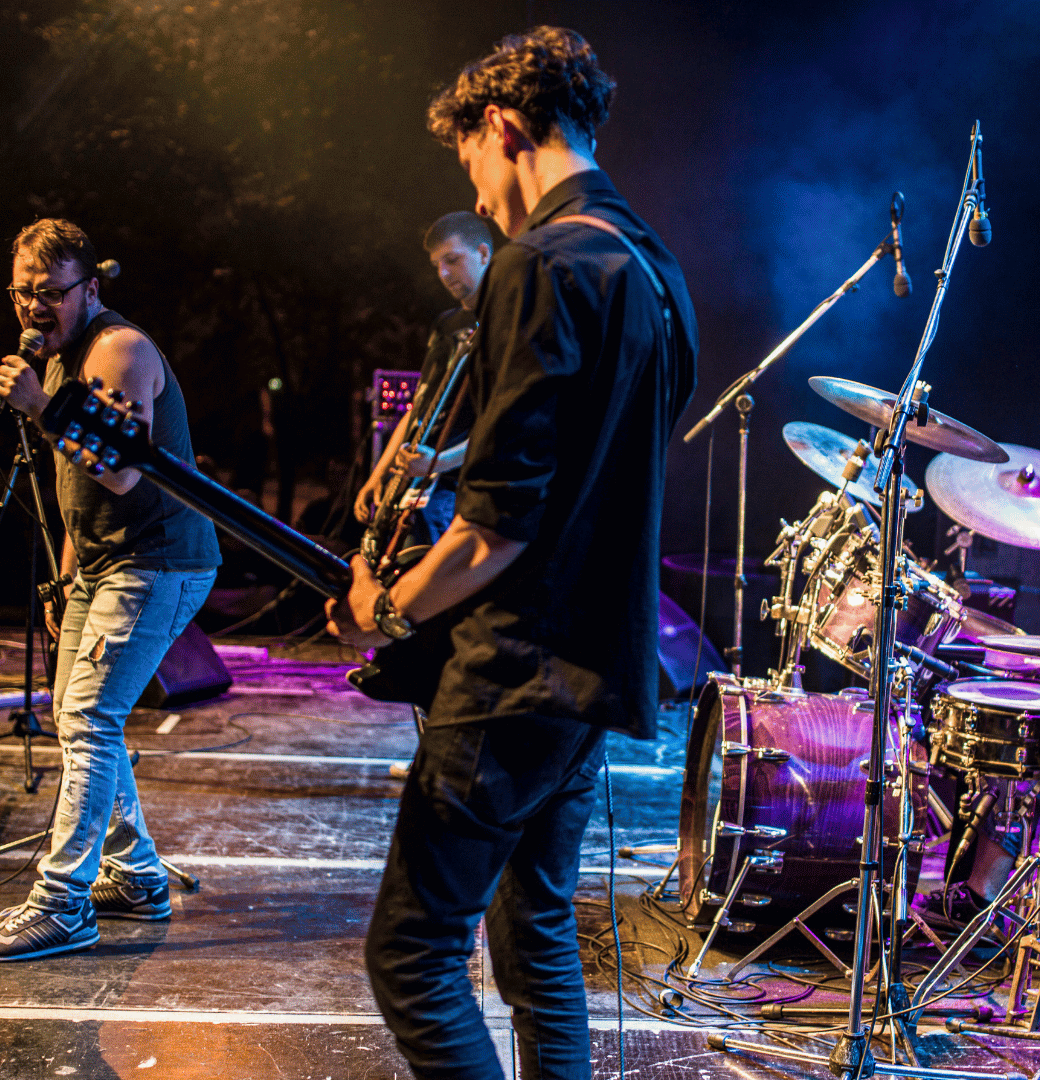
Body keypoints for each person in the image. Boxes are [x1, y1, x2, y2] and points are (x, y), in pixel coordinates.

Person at [327, 27, 697, 1080]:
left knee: (410, 952)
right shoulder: (653, 265)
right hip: (595, 666)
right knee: (532, 934)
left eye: (473, 170)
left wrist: (385, 606)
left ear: (500, 128)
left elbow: (499, 520)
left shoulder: (537, 262)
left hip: (514, 667)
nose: (482, 203)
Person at [0, 217, 220, 961]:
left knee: (86, 718)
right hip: (107, 563)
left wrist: (41, 408)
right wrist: (67, 580)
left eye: (51, 293)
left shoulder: (119, 349)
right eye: (23, 293)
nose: (34, 308)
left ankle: (62, 902)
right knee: (79, 717)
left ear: (91, 287)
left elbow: (118, 470)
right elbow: (76, 489)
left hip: (161, 559)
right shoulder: (52, 360)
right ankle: (138, 877)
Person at [354, 211, 494, 545]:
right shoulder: (446, 325)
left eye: (452, 260)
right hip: (419, 482)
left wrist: (438, 462)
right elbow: (420, 408)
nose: (444, 274)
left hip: (457, 488)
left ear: (484, 253)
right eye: (437, 266)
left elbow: (502, 423)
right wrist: (379, 476)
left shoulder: (505, 322)